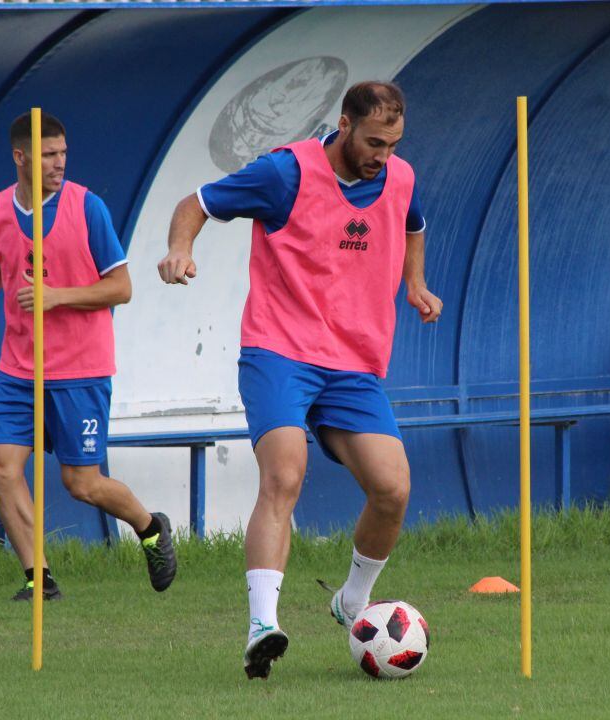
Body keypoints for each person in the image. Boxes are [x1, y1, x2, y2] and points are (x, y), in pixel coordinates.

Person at [158, 82, 442, 679]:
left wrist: (414, 283)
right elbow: (197, 204)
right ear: (343, 124)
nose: (381, 156)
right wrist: (179, 249)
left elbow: (413, 223)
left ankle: (352, 603)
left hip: (353, 363)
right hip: (279, 351)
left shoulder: (400, 176)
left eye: (392, 145)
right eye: (371, 142)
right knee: (285, 472)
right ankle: (263, 625)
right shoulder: (285, 174)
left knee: (392, 490)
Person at [0, 111, 176, 601]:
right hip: (18, 369)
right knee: (1, 467)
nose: (59, 163)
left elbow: (121, 287)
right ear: (20, 157)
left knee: (82, 483)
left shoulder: (87, 208)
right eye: (49, 155)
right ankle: (39, 577)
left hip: (79, 370)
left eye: (63, 153)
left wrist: (57, 296)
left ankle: (150, 526)